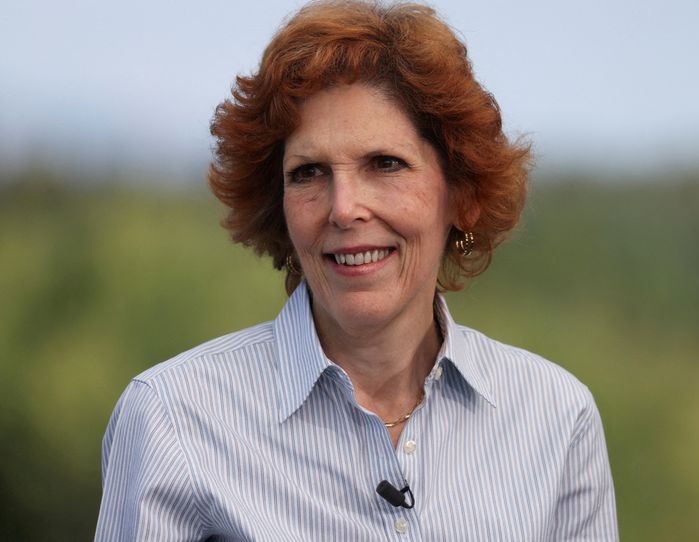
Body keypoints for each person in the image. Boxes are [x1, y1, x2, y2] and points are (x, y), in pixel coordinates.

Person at [95, 1, 618, 540]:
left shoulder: (557, 417)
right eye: (309, 173)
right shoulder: (172, 418)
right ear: (277, 203)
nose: (343, 208)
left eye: (385, 164)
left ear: (461, 194)